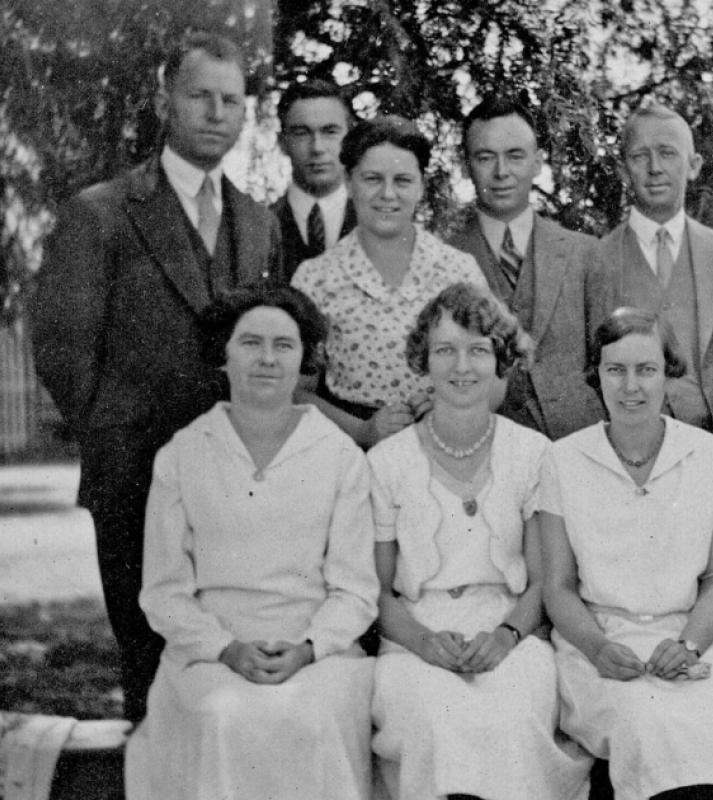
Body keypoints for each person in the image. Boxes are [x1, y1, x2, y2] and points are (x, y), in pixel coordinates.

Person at [28, 31, 283, 722]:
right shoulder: (101, 212)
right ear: (165, 100)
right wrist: (119, 432)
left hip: (239, 484)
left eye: (231, 100)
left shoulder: (259, 223)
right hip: (135, 476)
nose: (216, 113)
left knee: (233, 660)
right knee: (150, 669)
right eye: (200, 95)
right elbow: (60, 344)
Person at [124, 283, 378, 800]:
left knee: (310, 716)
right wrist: (225, 649)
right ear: (223, 353)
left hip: (317, 654)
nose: (267, 359)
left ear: (305, 358)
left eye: (284, 345)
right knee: (223, 715)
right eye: (250, 343)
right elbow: (164, 591)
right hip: (209, 654)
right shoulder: (183, 455)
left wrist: (309, 649)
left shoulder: (340, 457)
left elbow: (355, 590)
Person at [368, 283, 591, 800]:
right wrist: (424, 641)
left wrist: (505, 637)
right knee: (434, 716)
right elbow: (376, 592)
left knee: (507, 717)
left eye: (478, 350)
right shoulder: (388, 461)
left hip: (511, 633)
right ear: (424, 360)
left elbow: (543, 582)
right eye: (445, 350)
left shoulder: (533, 454)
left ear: (501, 360)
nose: (461, 366)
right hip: (415, 639)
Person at [539, 307, 713, 800]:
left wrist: (687, 645)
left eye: (646, 370)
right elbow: (556, 587)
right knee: (643, 720)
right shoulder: (562, 460)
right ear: (595, 376)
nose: (631, 387)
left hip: (694, 639)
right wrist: (597, 648)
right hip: (600, 647)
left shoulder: (709, 455)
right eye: (615, 370)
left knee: (700, 728)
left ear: (669, 373)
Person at [292, 115, 489, 447]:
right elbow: (295, 391)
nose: (387, 194)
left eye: (402, 180)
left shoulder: (458, 271)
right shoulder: (316, 278)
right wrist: (360, 431)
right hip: (349, 449)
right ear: (349, 182)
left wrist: (448, 407)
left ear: (421, 186)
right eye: (372, 179)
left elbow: (493, 375)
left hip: (445, 445)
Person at [448, 94, 605, 439]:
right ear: (465, 165)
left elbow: (607, 362)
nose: (501, 172)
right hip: (484, 444)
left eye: (515, 156)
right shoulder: (444, 258)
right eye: (485, 157)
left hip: (576, 441)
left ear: (537, 162)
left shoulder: (585, 253)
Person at [587, 99, 713, 436]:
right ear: (624, 170)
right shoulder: (596, 259)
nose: (654, 167)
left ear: (693, 165)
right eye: (640, 156)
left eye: (668, 153)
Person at [273, 78, 357, 280]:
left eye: (330, 132)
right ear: (282, 143)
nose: (317, 148)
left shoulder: (377, 224)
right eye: (302, 133)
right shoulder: (258, 227)